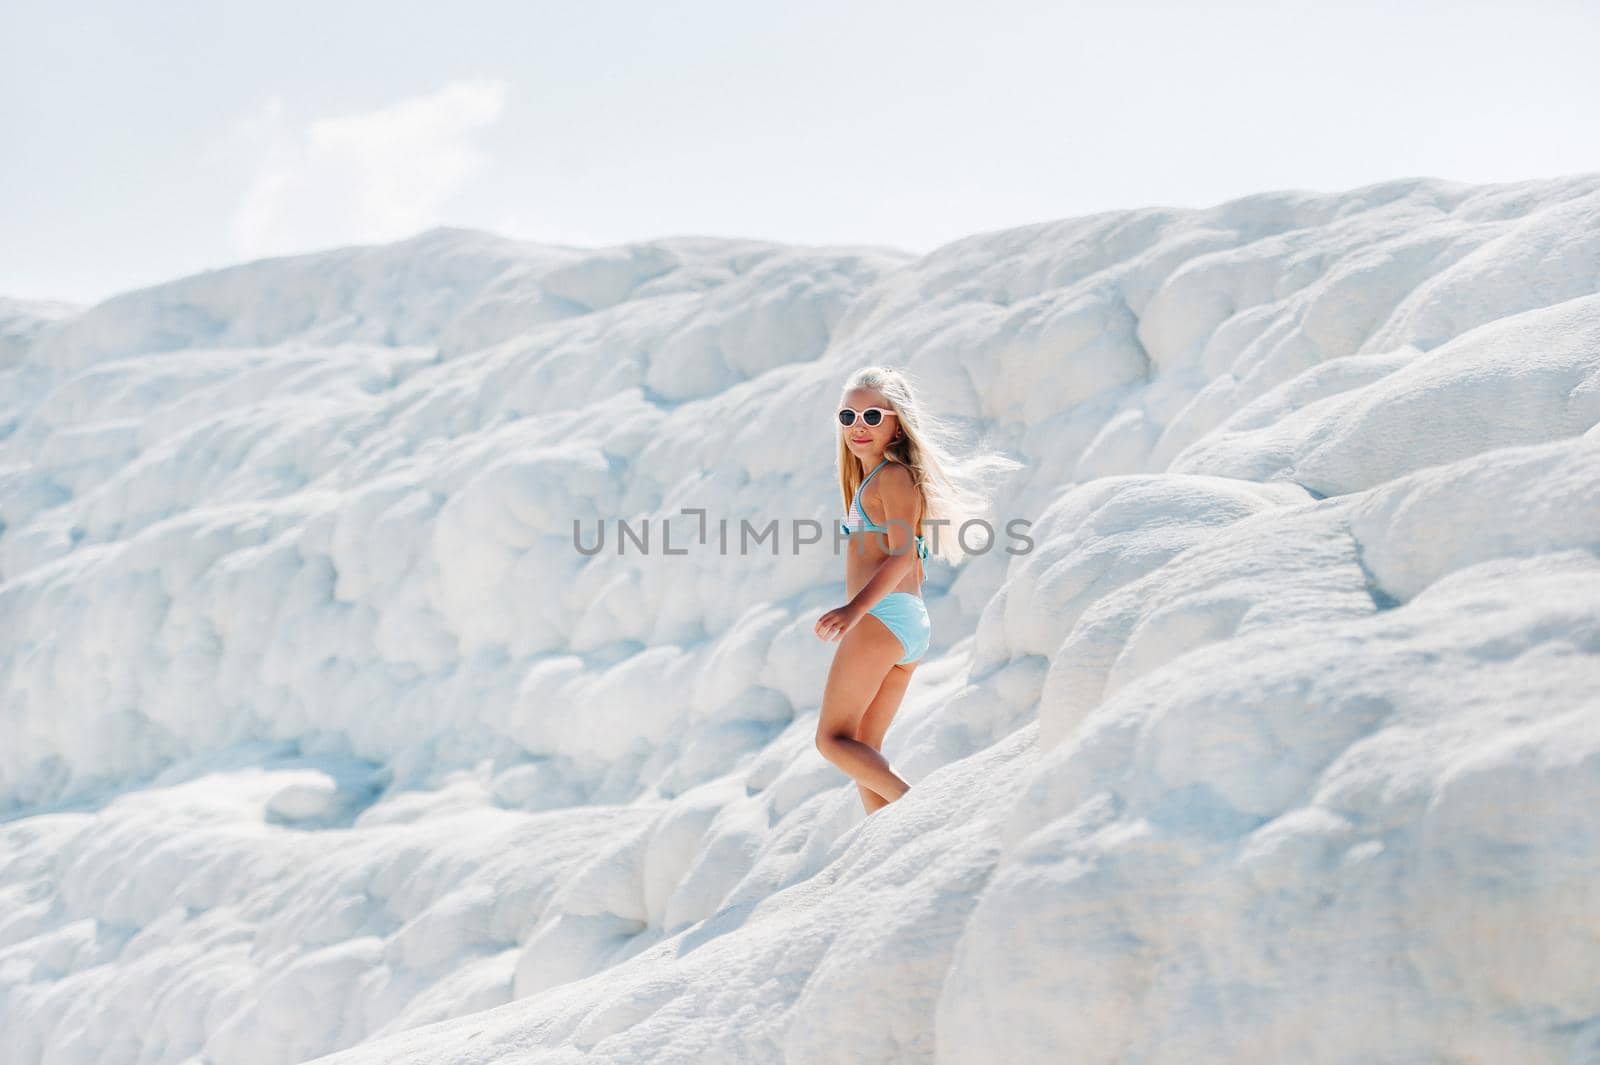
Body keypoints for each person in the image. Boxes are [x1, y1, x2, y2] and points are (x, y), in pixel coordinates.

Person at [813, 366, 1021, 814]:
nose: (858, 427)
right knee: (864, 746)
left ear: (896, 423)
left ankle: (921, 816)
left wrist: (853, 611)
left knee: (832, 740)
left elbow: (903, 555)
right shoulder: (874, 481)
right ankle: (887, 840)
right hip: (902, 621)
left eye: (872, 416)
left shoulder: (892, 476)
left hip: (883, 618)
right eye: (847, 417)